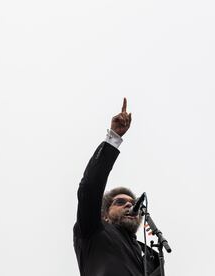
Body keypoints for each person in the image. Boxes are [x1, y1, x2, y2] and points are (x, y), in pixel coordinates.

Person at [73, 98, 160, 276]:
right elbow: (90, 187)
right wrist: (113, 137)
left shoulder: (147, 256)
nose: (130, 205)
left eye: (133, 203)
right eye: (120, 202)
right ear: (104, 214)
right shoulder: (94, 231)